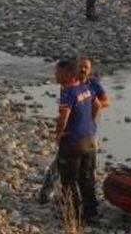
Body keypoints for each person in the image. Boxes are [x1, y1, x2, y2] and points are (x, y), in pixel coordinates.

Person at [39, 57, 108, 205]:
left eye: (86, 67)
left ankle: (75, 212)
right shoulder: (72, 86)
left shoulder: (88, 85)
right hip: (85, 135)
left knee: (74, 177)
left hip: (80, 137)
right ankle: (87, 210)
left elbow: (103, 103)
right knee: (68, 169)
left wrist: (87, 119)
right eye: (81, 66)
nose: (83, 70)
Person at [53, 53, 102, 222]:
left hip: (73, 143)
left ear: (68, 74)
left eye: (57, 72)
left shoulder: (68, 92)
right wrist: (91, 124)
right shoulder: (87, 88)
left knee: (68, 180)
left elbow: (63, 117)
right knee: (87, 177)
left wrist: (58, 135)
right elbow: (98, 105)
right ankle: (91, 212)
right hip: (89, 140)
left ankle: (72, 214)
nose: (55, 75)